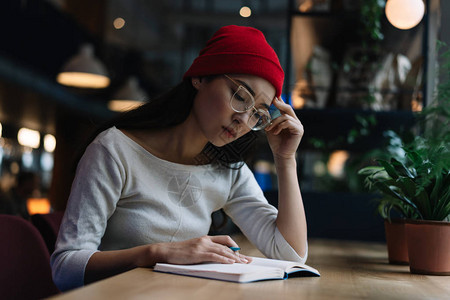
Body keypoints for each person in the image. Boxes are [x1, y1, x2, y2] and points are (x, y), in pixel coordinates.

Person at [51, 25, 308, 291]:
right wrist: (156, 254)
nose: (243, 119)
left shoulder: (227, 169)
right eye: (240, 96)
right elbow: (65, 268)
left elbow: (290, 255)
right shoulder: (115, 150)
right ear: (200, 77)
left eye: (258, 114)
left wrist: (285, 159)